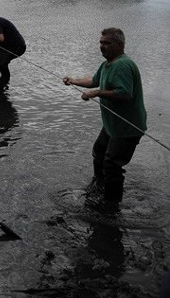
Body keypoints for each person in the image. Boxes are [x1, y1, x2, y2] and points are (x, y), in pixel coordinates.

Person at [62, 28, 147, 206]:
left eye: (107, 43)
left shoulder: (121, 65)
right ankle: (99, 186)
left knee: (112, 165)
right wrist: (74, 80)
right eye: (101, 42)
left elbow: (125, 94)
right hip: (112, 124)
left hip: (127, 127)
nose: (102, 46)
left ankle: (111, 205)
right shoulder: (108, 63)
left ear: (120, 45)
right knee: (99, 152)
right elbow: (94, 80)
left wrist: (96, 93)